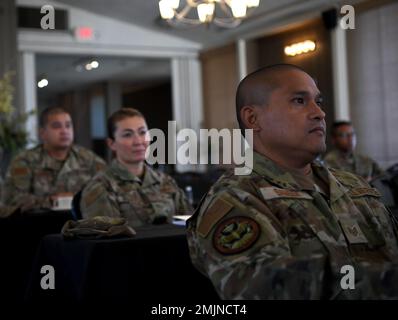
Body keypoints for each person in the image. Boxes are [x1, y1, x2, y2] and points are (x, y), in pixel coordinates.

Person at [186, 64, 398, 299]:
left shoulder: (352, 184)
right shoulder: (235, 197)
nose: (320, 113)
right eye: (299, 101)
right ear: (253, 118)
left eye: (319, 101)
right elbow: (264, 286)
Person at [80, 108, 193, 228]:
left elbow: (191, 227)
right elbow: (107, 242)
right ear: (111, 143)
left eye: (142, 132)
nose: (138, 141)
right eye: (128, 134)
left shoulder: (165, 182)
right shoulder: (100, 187)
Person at [2, 107, 106, 212]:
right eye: (56, 126)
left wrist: (78, 198)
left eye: (68, 125)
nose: (64, 131)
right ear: (42, 133)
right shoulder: (25, 161)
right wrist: (51, 201)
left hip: (81, 225)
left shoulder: (90, 159)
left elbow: (106, 192)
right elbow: (12, 199)